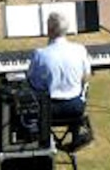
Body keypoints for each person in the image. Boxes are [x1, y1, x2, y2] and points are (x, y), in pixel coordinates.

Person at [28, 12, 95, 148]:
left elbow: (33, 83)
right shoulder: (80, 50)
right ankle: (75, 139)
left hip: (48, 109)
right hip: (76, 107)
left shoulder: (40, 54)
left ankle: (36, 138)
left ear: (49, 30)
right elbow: (86, 76)